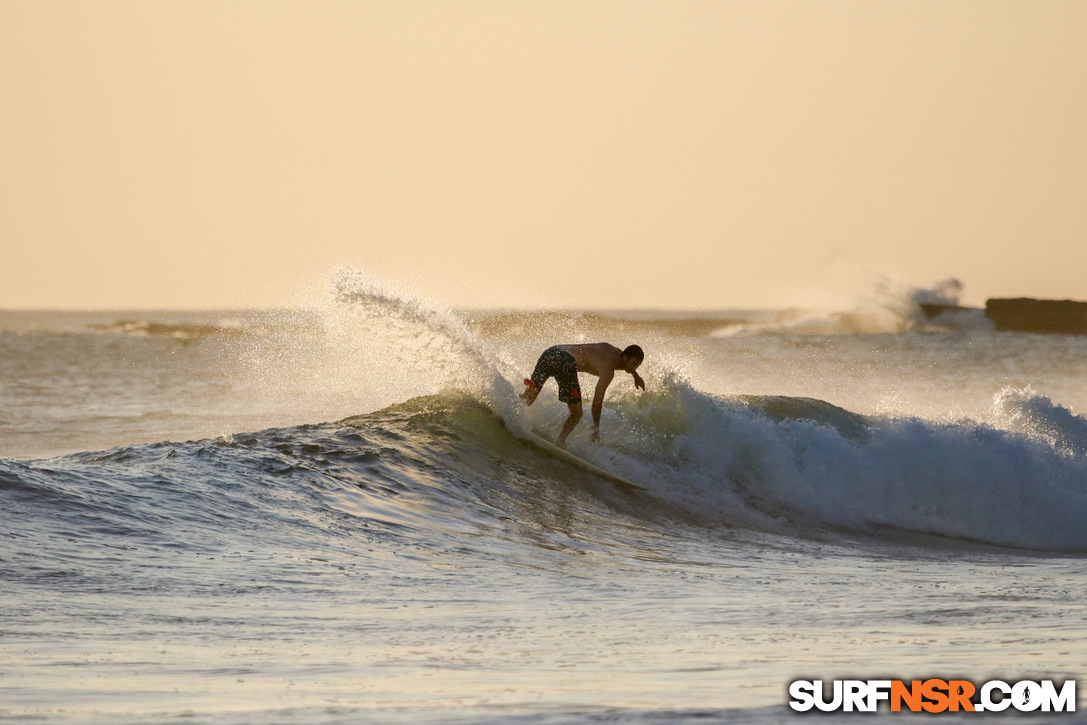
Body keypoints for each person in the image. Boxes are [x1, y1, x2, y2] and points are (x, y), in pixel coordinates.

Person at [521, 343, 645, 448]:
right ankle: (560, 441)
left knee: (527, 399)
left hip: (551, 352)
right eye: (634, 364)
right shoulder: (608, 371)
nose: (634, 368)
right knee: (577, 413)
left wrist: (635, 375)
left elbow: (622, 354)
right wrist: (596, 426)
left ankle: (506, 406)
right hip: (565, 361)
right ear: (625, 357)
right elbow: (597, 400)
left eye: (637, 366)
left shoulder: (610, 349)